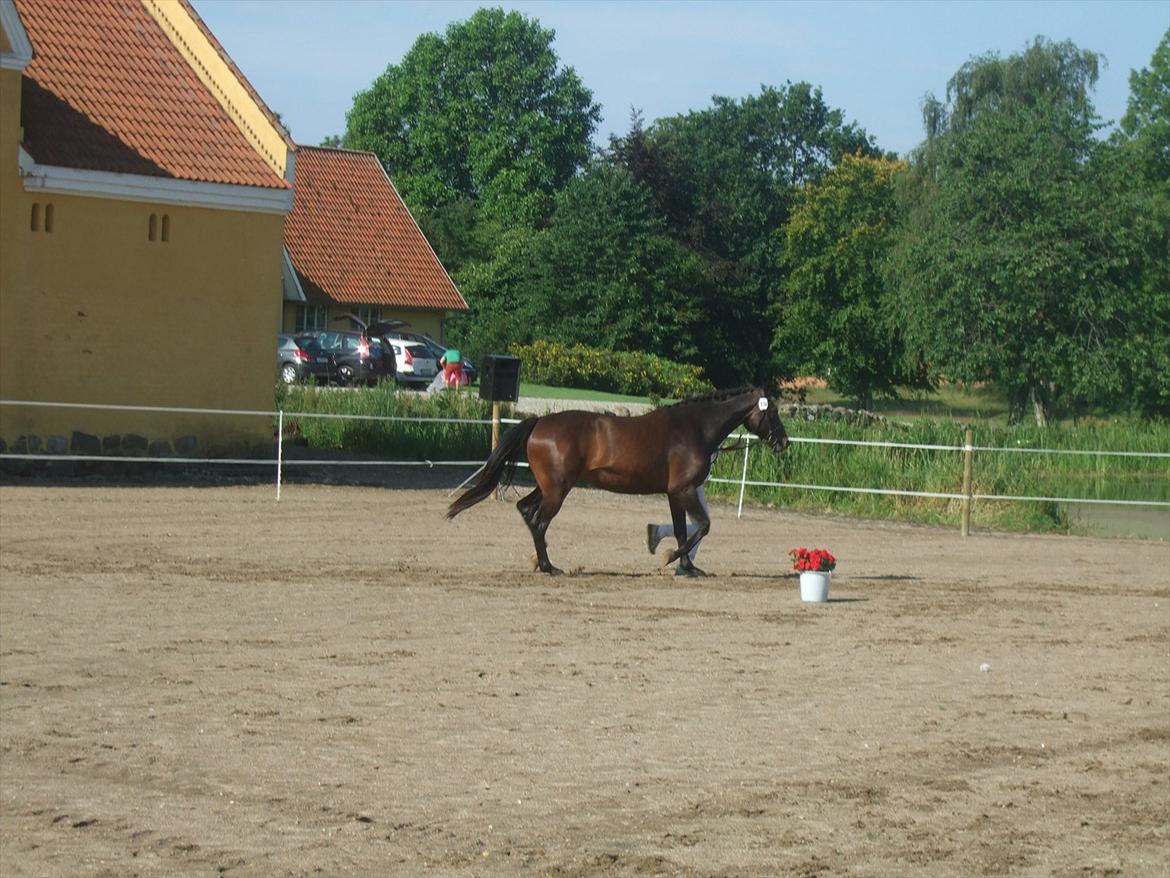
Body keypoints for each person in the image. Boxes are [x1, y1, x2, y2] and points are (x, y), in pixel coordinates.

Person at [646, 483, 709, 576]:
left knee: (701, 525)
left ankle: (660, 532)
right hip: (694, 478)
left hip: (697, 478)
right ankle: (685, 562)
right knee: (701, 524)